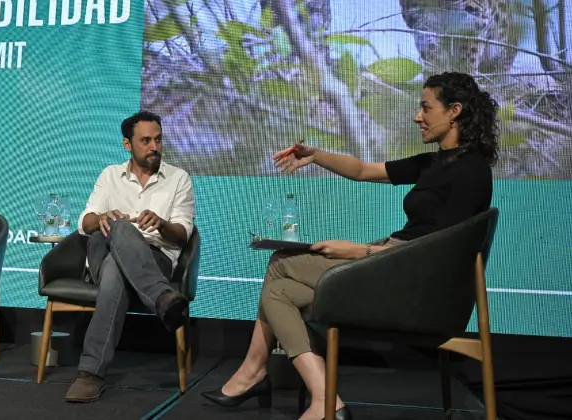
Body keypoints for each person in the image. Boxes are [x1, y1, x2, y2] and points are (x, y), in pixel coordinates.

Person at [201, 72, 498, 420]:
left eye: (425, 107)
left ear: (455, 111)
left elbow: (442, 254)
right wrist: (315, 155)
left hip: (411, 285)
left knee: (282, 263)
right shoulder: (435, 162)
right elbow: (361, 170)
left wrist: (360, 252)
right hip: (395, 265)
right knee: (279, 290)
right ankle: (320, 398)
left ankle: (258, 374)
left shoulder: (471, 171)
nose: (417, 116)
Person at [64, 110, 196, 403]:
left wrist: (161, 222)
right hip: (104, 248)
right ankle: (162, 298)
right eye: (146, 140)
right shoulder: (110, 175)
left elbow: (183, 233)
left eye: (159, 140)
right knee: (120, 228)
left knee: (116, 270)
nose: (154, 147)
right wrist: (102, 217)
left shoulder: (179, 179)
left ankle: (90, 373)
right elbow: (84, 223)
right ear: (128, 144)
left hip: (154, 257)